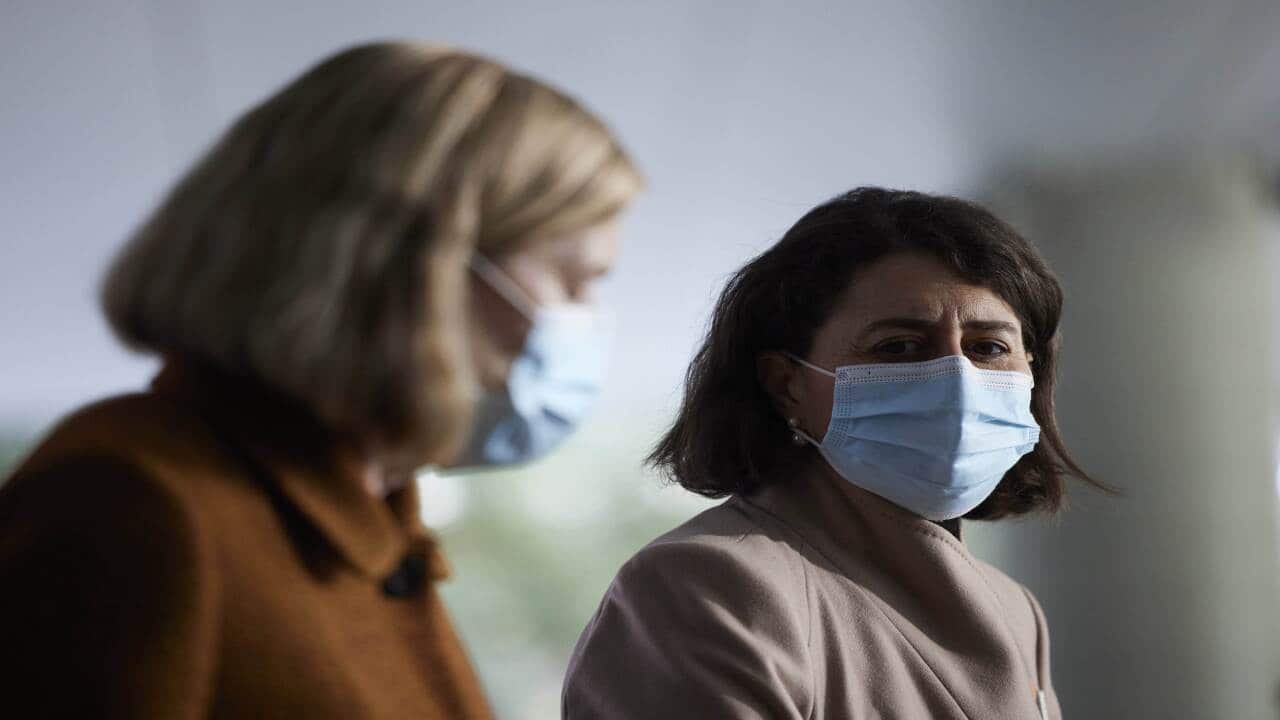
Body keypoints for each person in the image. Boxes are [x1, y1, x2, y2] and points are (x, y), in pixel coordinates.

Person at [0, 42, 641, 718]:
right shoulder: (130, 501)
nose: (587, 324)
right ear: (409, 266)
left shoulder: (372, 526)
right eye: (574, 280)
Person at [563, 187, 1104, 719]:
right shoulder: (709, 586)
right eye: (898, 347)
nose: (957, 381)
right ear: (787, 384)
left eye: (989, 347)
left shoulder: (1014, 609)